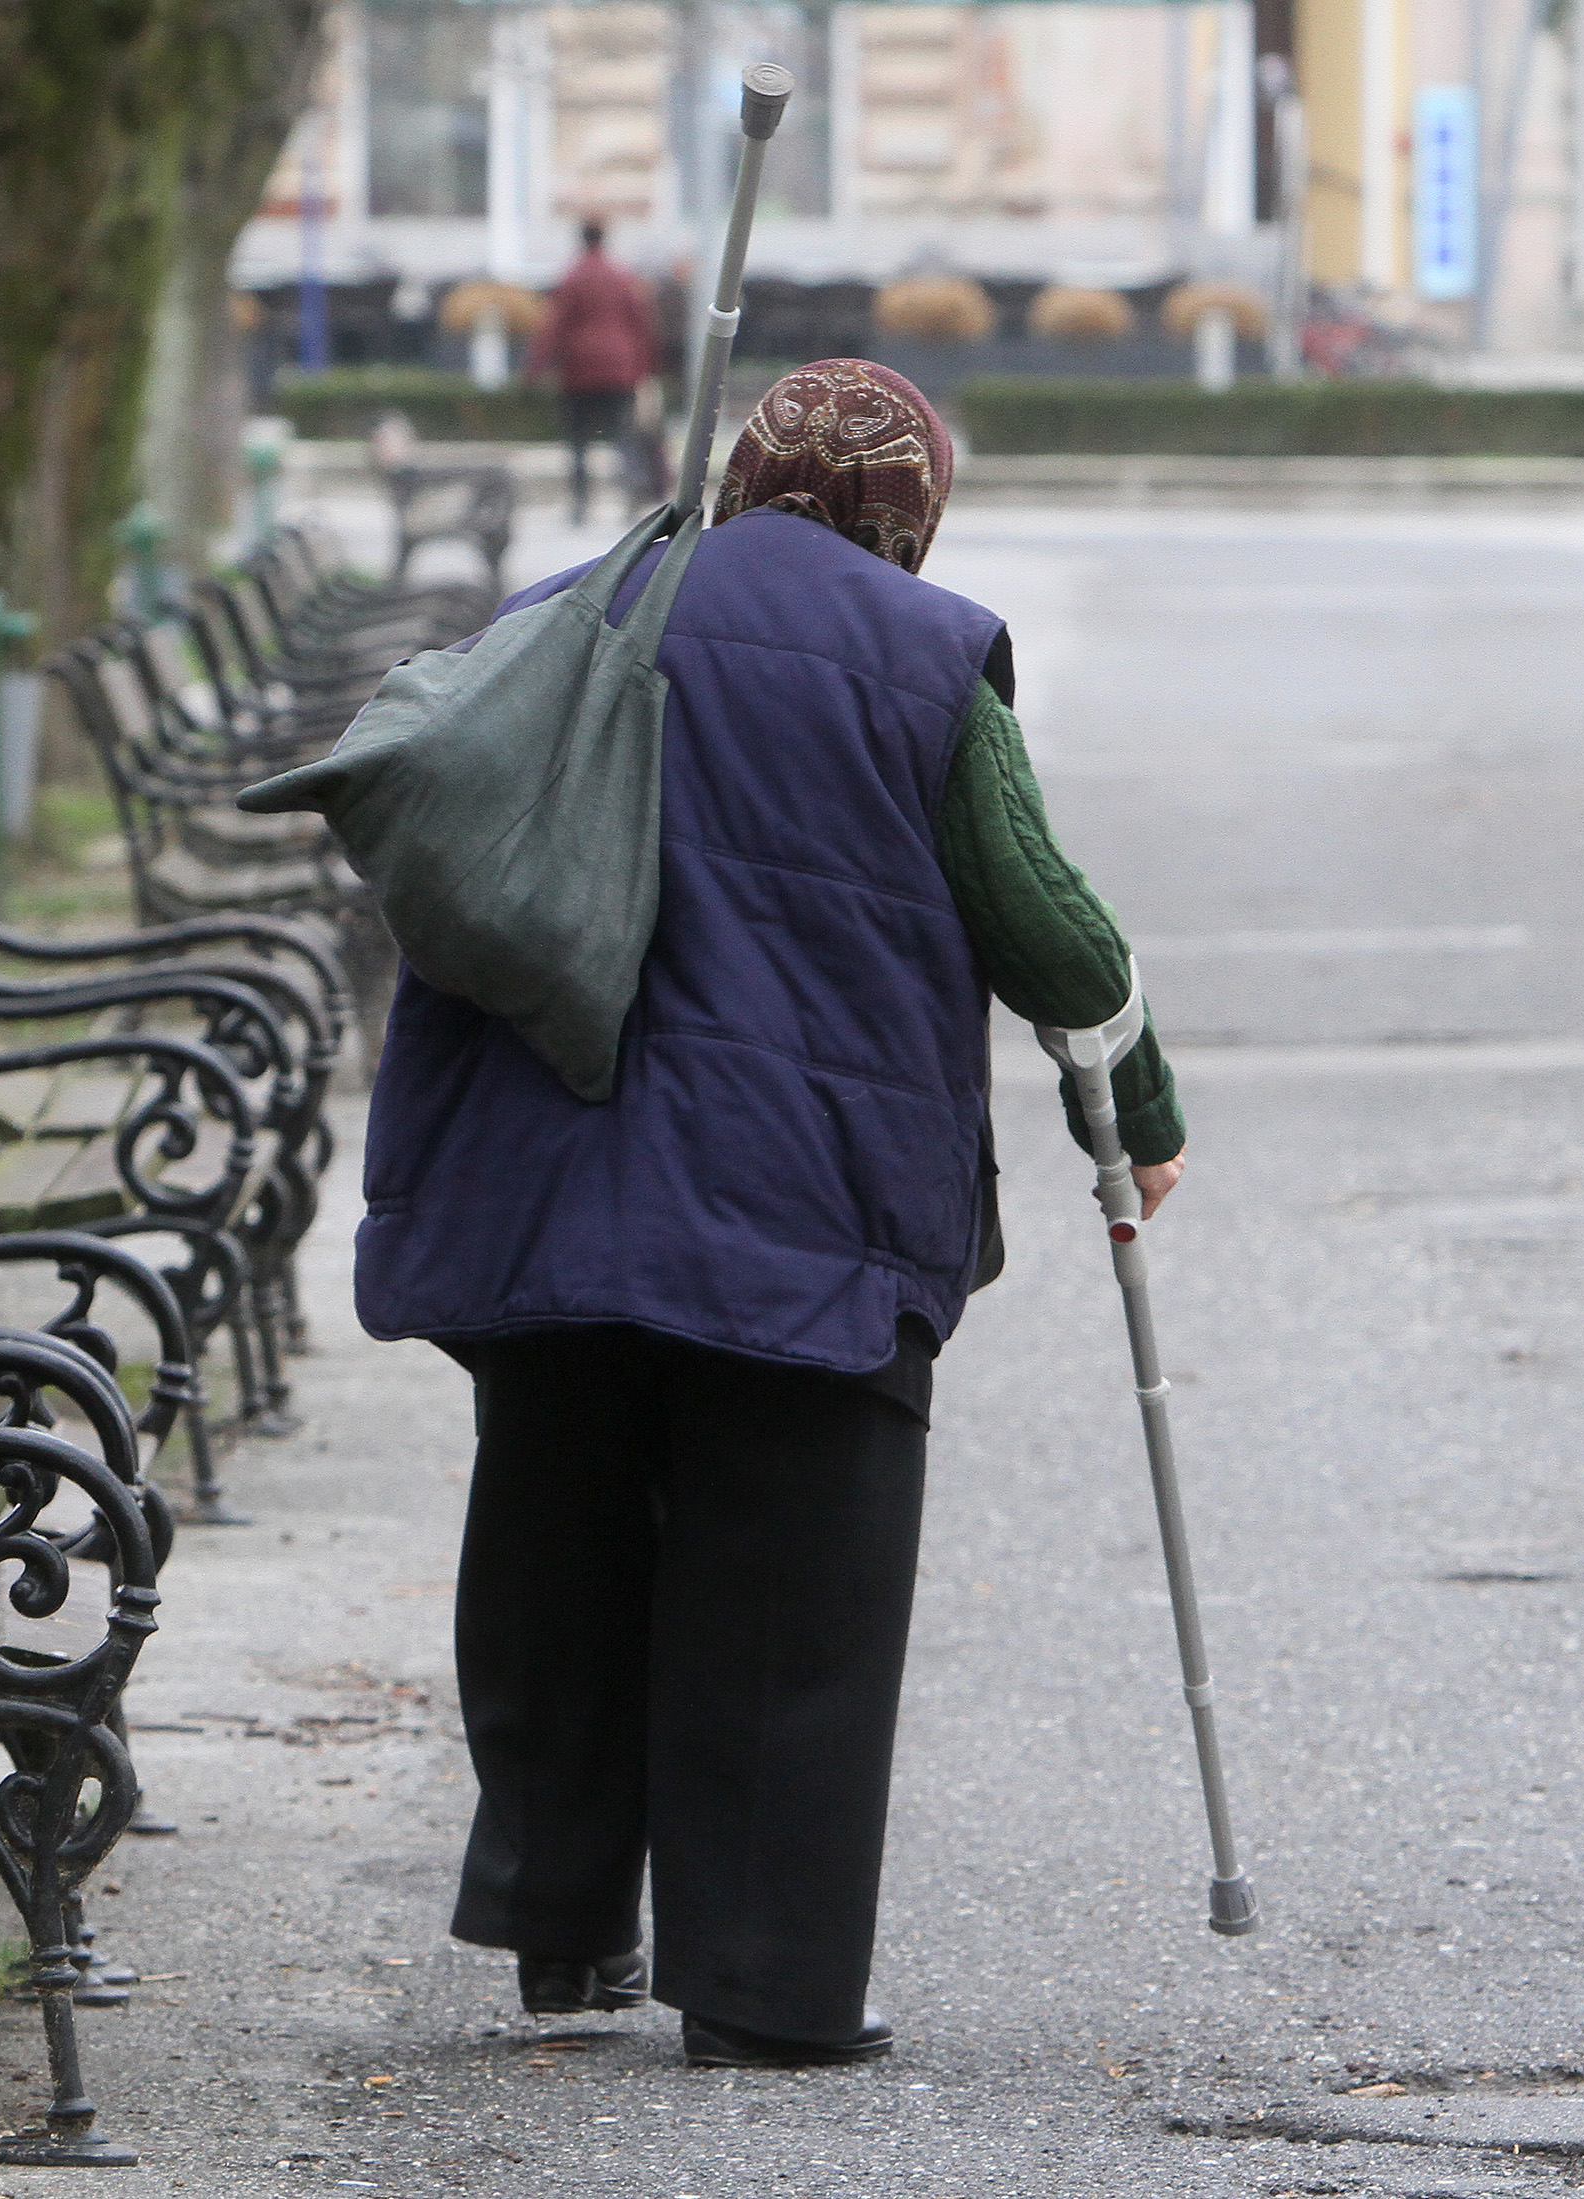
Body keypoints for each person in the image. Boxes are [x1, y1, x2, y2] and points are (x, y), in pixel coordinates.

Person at [354, 360, 1189, 2069]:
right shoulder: (922, 650)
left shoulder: (570, 605)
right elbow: (1044, 921)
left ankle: (558, 1917)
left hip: (548, 1171)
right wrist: (1137, 1108)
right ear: (910, 511)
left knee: (558, 1535)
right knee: (793, 1571)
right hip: (799, 1183)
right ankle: (762, 1975)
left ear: (744, 471)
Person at [531, 220, 659, 526]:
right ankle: (630, 497)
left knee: (578, 442)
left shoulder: (572, 277)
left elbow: (554, 325)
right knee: (623, 437)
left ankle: (580, 504)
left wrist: (535, 368)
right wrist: (645, 368)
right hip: (620, 370)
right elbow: (643, 323)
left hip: (579, 370)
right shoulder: (623, 275)